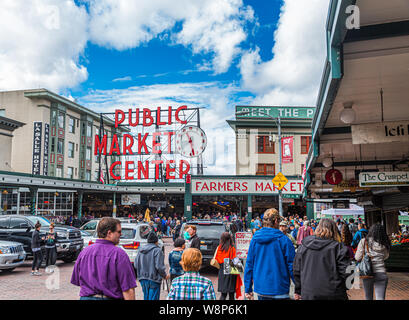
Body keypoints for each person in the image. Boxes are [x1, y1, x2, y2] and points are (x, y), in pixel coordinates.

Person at [71, 217, 136, 300]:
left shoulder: (84, 252)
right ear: (109, 233)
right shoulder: (119, 254)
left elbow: (77, 281)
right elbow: (128, 289)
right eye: (119, 232)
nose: (121, 234)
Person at [244, 208, 295, 300]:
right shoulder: (284, 240)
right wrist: (299, 287)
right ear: (276, 221)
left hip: (261, 288)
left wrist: (247, 288)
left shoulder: (255, 239)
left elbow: (249, 264)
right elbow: (292, 266)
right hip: (280, 287)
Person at [293, 218, 350, 300]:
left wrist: (298, 290)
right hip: (334, 293)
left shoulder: (303, 246)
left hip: (309, 293)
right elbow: (348, 272)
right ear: (334, 230)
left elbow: (296, 270)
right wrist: (345, 287)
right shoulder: (339, 248)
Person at [355, 223, 390, 300]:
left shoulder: (363, 242)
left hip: (367, 273)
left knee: (368, 297)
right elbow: (386, 256)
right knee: (380, 298)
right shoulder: (384, 243)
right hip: (381, 273)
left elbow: (357, 257)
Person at [134, 231, 169, 300]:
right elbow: (159, 267)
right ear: (156, 241)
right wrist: (164, 275)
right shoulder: (157, 251)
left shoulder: (140, 250)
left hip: (143, 278)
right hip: (154, 278)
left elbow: (135, 264)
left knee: (146, 297)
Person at [214, 232, 243, 300]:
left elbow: (217, 259)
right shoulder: (232, 248)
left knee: (223, 295)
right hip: (231, 271)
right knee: (231, 294)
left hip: (222, 272)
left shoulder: (219, 248)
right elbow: (235, 261)